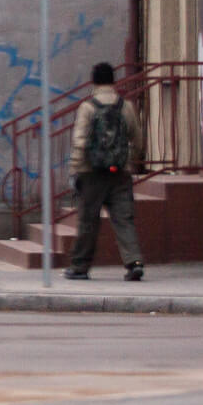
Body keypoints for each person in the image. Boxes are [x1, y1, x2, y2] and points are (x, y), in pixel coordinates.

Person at [64, 62, 145, 281]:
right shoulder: (125, 105)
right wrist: (129, 159)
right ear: (114, 80)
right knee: (124, 218)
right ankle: (134, 262)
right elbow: (137, 138)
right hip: (120, 171)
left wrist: (75, 170)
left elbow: (79, 141)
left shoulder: (88, 107)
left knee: (88, 220)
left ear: (94, 81)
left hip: (91, 172)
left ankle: (80, 266)